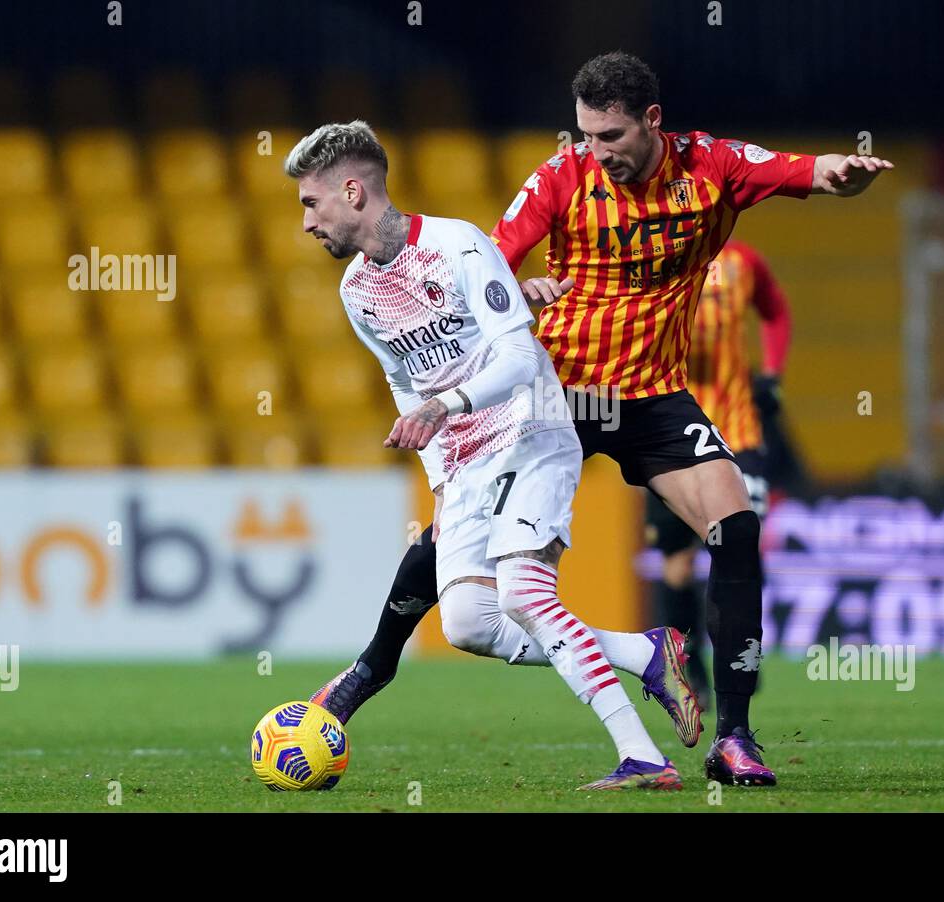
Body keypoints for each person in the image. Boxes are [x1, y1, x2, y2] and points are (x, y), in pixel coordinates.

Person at [311, 51, 891, 787]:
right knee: (454, 541)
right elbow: (486, 263)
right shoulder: (561, 177)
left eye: (610, 136)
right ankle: (368, 672)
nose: (596, 152)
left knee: (736, 526)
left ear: (653, 121)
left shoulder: (710, 166)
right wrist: (519, 289)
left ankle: (735, 737)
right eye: (586, 135)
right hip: (556, 391)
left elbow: (794, 168)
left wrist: (837, 171)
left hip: (650, 395)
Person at [286, 121, 700, 789]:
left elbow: (514, 354)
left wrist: (443, 408)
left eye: (311, 203)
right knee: (470, 624)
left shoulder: (458, 246)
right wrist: (441, 479)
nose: (307, 222)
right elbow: (404, 379)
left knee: (525, 594)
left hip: (529, 429)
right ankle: (643, 651)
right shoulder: (356, 290)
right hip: (467, 463)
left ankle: (644, 757)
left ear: (353, 192)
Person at [646, 238, 793, 707]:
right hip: (670, 436)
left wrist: (772, 373)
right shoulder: (649, 255)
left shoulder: (742, 261)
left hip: (738, 434)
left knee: (737, 548)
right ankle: (690, 667)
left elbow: (776, 311)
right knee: (679, 562)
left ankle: (738, 653)